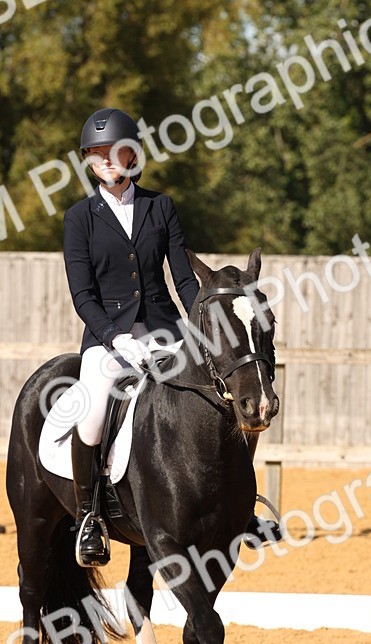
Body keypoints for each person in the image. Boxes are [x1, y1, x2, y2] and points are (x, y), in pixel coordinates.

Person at [63, 106, 280, 565]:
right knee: (94, 410)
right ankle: (89, 517)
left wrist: (203, 326)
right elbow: (82, 294)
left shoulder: (160, 207)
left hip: (165, 331)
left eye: (113, 153)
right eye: (95, 155)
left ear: (132, 155)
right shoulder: (79, 219)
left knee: (222, 394)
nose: (105, 162)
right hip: (109, 341)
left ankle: (243, 505)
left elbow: (185, 282)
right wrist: (112, 338)